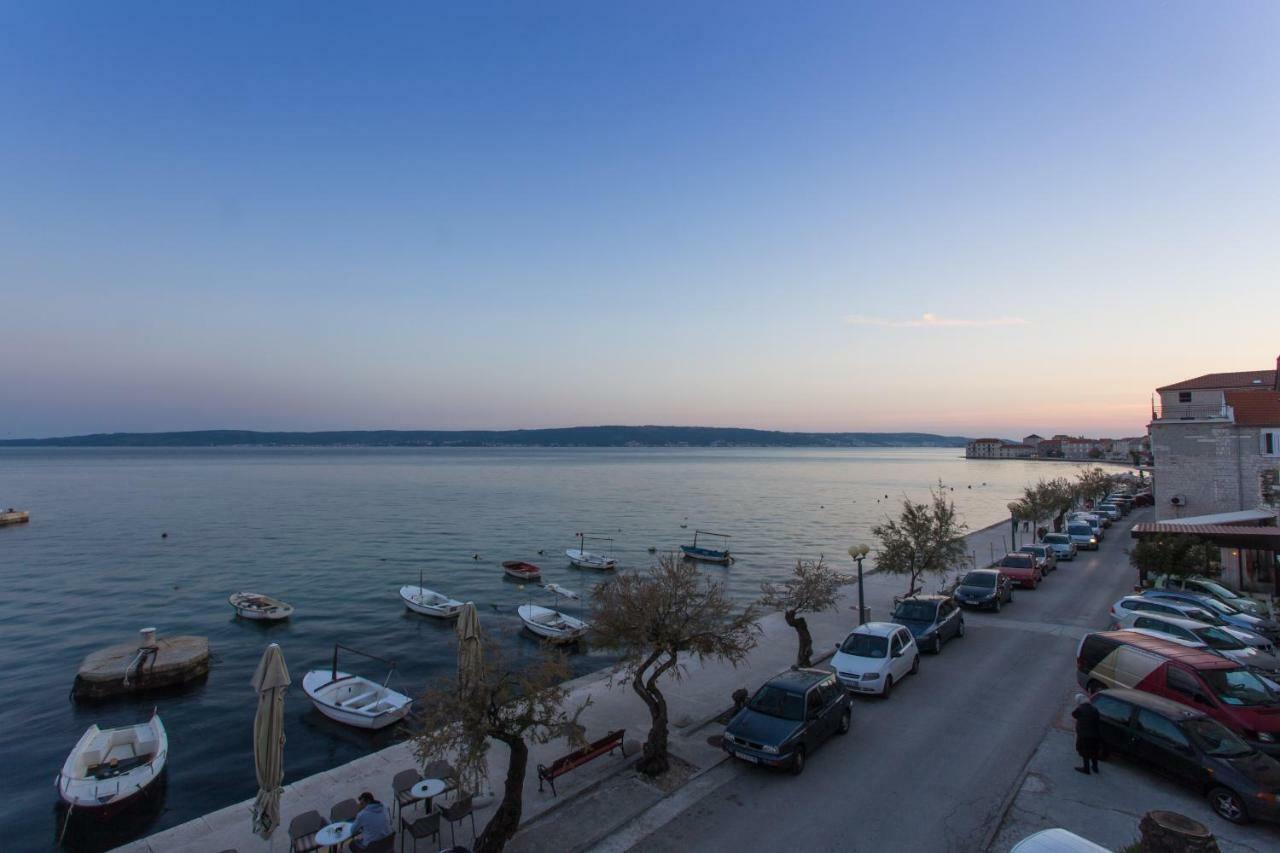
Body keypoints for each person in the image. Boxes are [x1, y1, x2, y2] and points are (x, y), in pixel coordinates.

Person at [1071, 693, 1101, 775]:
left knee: (1085, 752)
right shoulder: (1094, 709)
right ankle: (1095, 768)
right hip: (1095, 734)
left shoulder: (1080, 709)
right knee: (1094, 751)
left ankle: (1086, 769)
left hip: (1084, 734)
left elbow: (1074, 714)